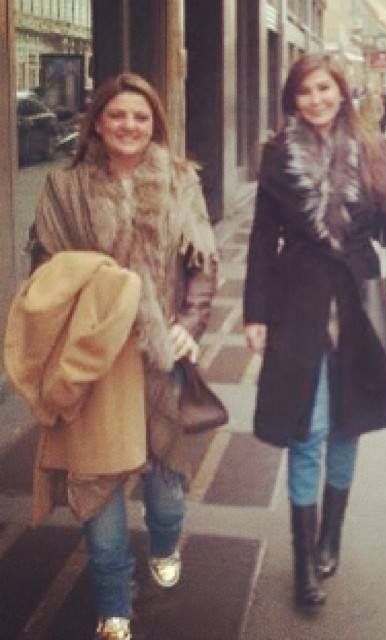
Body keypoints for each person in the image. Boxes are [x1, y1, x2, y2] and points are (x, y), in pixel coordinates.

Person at [20, 72, 218, 640]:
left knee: (165, 487)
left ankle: (165, 539)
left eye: (140, 116)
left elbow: (202, 263)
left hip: (160, 355)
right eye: (117, 115)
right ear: (98, 124)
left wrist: (189, 325)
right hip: (95, 358)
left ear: (154, 123)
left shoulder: (180, 181)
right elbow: (46, 270)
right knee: (98, 481)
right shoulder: (65, 188)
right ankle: (113, 602)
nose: (129, 125)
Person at [243, 54, 386, 609]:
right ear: (293, 100)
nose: (316, 99)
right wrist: (255, 314)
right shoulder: (278, 155)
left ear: (341, 92)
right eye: (305, 91)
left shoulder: (373, 148)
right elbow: (262, 238)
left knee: (348, 426)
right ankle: (304, 565)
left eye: (324, 88)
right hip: (299, 303)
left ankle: (331, 538)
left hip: (359, 303)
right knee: (308, 429)